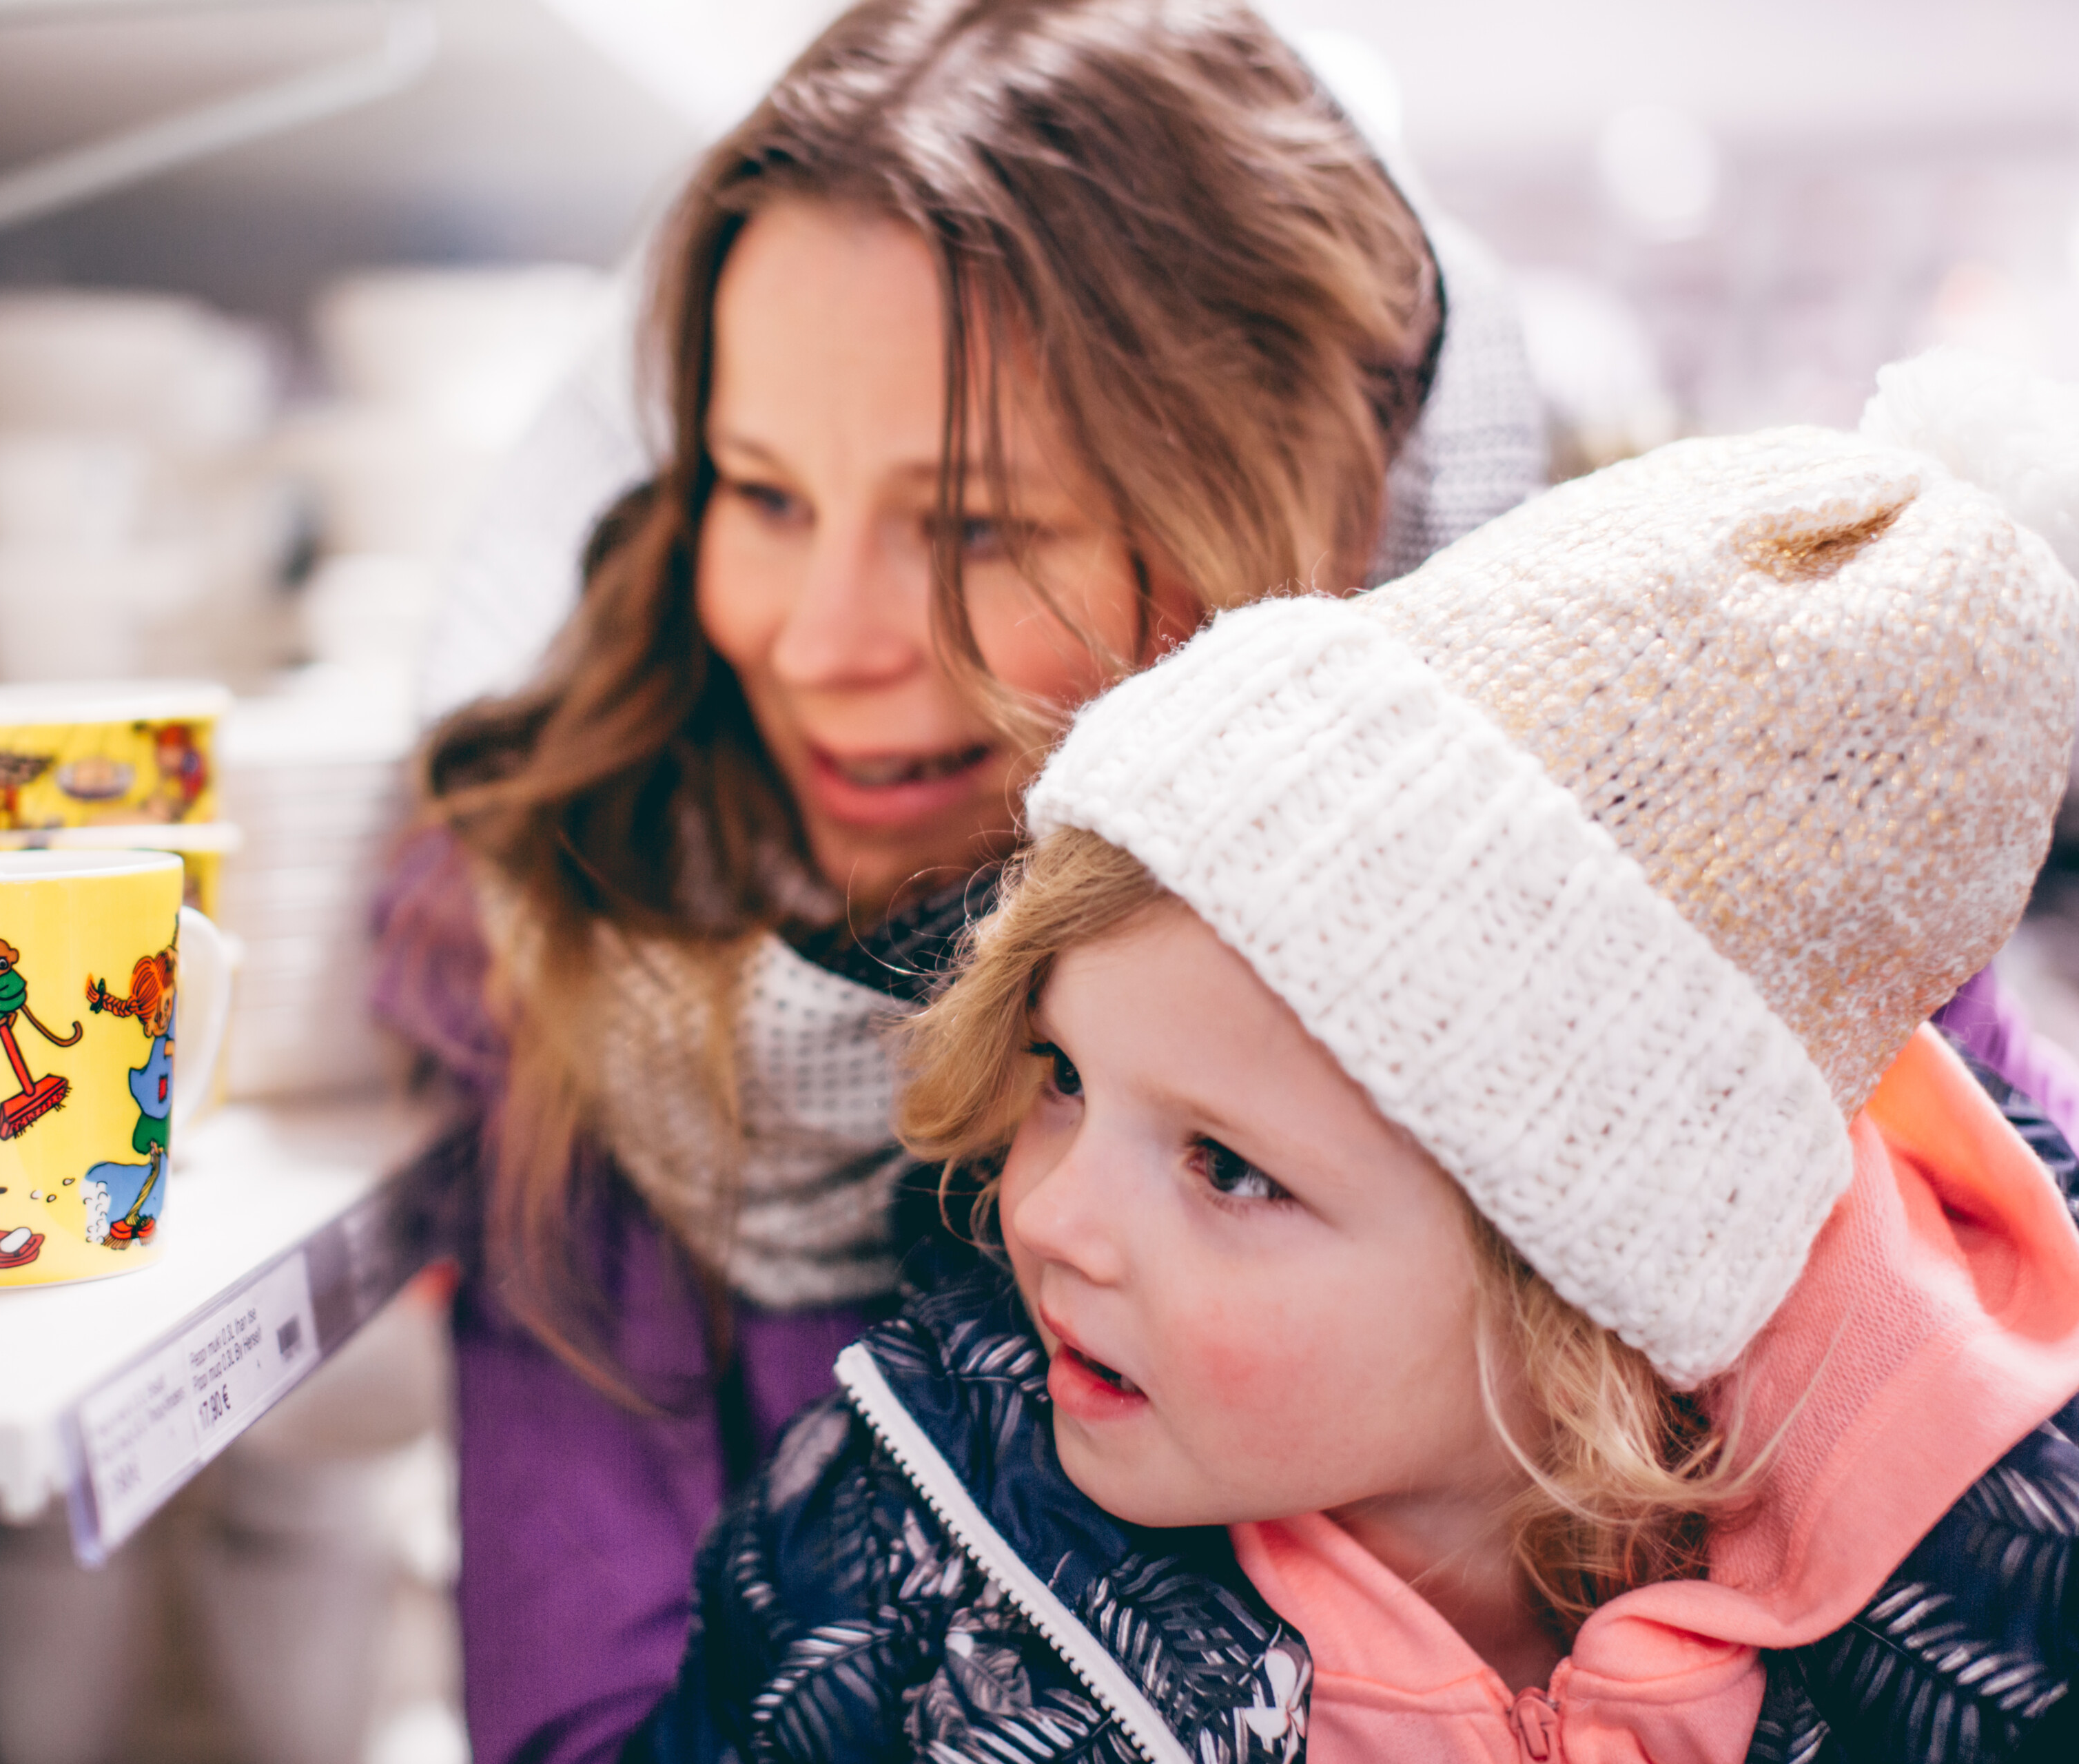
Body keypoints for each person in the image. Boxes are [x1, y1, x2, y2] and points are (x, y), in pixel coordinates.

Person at [371, 3, 1552, 1756]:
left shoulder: (1612, 979)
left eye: (974, 527)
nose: (822, 641)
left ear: (1288, 521)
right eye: (761, 494)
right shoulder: (607, 984)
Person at [639, 352, 2079, 1761]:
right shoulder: (889, 1588)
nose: (1055, 1215)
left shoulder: (2013, 1625)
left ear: (1584, 1292)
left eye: (1226, 1168)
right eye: (1064, 1076)